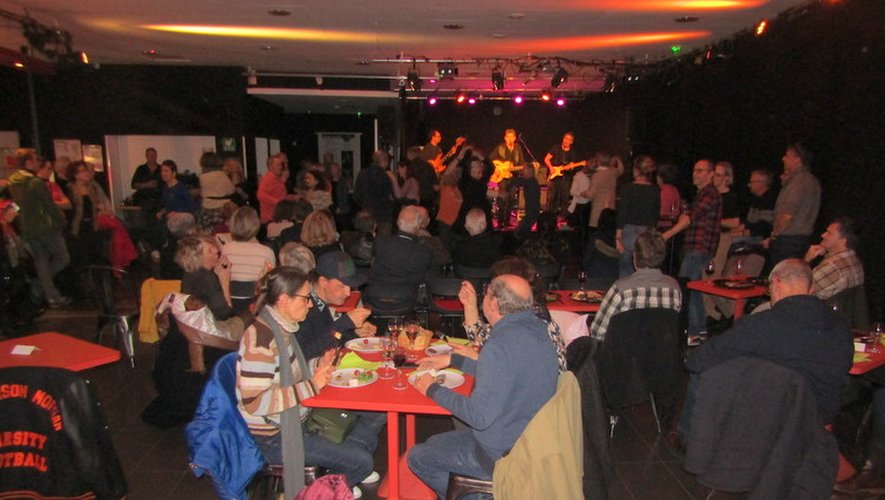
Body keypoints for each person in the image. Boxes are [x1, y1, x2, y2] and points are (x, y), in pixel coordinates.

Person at [236, 267, 385, 498]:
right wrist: (312, 385)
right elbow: (255, 402)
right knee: (362, 461)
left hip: (296, 417)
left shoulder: (282, 328)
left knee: (366, 437)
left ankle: (338, 480)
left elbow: (290, 372)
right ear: (285, 300)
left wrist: (317, 364)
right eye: (306, 299)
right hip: (273, 435)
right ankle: (321, 491)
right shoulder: (262, 341)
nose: (311, 305)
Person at [408, 274, 559, 498]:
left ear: (495, 304)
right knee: (435, 443)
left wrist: (431, 388)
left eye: (486, 294)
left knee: (418, 457)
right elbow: (508, 374)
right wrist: (455, 361)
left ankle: (484, 493)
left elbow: (478, 416)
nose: (483, 299)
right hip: (529, 440)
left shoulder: (500, 344)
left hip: (502, 452)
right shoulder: (537, 331)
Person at [674, 259, 852, 444]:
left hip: (774, 415)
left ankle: (687, 438)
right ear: (812, 288)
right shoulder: (841, 323)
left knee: (703, 372)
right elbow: (845, 365)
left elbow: (700, 360)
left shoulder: (762, 324)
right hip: (822, 416)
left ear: (776, 283)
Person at [458, 256, 567, 372]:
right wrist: (470, 306)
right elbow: (481, 341)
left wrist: (472, 358)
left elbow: (508, 371)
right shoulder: (521, 313)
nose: (491, 289)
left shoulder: (531, 325)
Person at [662, 159, 722, 345]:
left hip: (699, 248)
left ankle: (695, 331)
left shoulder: (710, 194)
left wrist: (665, 235)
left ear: (711, 174)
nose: (696, 174)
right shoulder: (703, 194)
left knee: (687, 287)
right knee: (692, 288)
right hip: (695, 248)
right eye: (695, 170)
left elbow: (689, 219)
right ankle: (699, 331)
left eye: (701, 171)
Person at [590, 229, 682, 343]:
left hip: (624, 356)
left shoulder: (621, 289)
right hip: (662, 357)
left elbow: (597, 332)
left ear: (635, 257)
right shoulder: (674, 288)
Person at [8, 149, 71, 307]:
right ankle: (39, 285)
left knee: (41, 260)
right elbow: (49, 205)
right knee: (63, 258)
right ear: (29, 162)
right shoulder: (36, 183)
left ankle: (51, 295)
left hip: (27, 227)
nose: (38, 163)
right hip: (45, 226)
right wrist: (61, 222)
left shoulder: (13, 181)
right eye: (36, 160)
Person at [295, 251, 376, 359]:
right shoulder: (303, 307)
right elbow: (304, 354)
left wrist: (354, 332)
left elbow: (331, 336)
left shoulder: (320, 301)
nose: (348, 293)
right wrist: (345, 322)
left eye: (350, 286)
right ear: (323, 281)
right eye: (341, 286)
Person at [363, 205, 434, 312]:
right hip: (406, 300)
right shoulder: (424, 252)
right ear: (418, 226)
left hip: (374, 297)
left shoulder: (380, 242)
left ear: (397, 222)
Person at [176, 234, 244, 339]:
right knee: (250, 317)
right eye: (209, 250)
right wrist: (225, 280)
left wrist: (221, 274)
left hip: (194, 327)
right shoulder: (205, 278)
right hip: (210, 333)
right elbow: (225, 314)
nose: (216, 251)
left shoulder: (192, 272)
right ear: (197, 258)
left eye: (213, 246)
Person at [766, 142, 821, 266]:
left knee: (782, 278)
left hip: (788, 242)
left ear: (798, 159)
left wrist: (775, 235)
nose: (783, 159)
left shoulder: (798, 182)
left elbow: (786, 215)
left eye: (787, 155)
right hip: (802, 240)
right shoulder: (812, 181)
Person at [220, 207, 276, 312]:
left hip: (231, 299)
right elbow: (271, 280)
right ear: (256, 226)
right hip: (256, 303)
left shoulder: (226, 248)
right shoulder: (267, 252)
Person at [616, 155, 660, 278]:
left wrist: (618, 237)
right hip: (646, 231)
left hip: (629, 230)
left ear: (636, 170)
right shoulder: (655, 190)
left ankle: (626, 294)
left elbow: (622, 213)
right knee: (645, 268)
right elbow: (655, 215)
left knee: (625, 269)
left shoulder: (627, 188)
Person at [804, 216, 863, 300]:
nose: (823, 235)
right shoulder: (854, 260)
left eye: (829, 233)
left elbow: (799, 291)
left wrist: (806, 260)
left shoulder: (832, 266)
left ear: (843, 240)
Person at [488, 129, 526, 228]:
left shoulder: (518, 148)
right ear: (505, 138)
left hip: (513, 177)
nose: (510, 139)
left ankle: (507, 221)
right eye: (508, 137)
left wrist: (524, 167)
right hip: (502, 178)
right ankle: (500, 222)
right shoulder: (500, 147)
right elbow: (489, 159)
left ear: (514, 138)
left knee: (511, 199)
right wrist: (496, 169)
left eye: (512, 137)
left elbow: (522, 163)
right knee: (502, 199)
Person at [353, 150, 394, 235]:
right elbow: (392, 195)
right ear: (384, 161)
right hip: (383, 215)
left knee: (366, 240)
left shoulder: (363, 173)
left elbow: (356, 196)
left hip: (367, 215)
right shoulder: (386, 176)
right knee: (383, 242)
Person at [544, 132, 584, 216]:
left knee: (564, 199)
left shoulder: (572, 153)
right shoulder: (556, 148)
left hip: (565, 179)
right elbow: (546, 159)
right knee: (551, 199)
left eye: (568, 140)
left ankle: (563, 218)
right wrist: (551, 167)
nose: (566, 141)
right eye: (565, 138)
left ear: (571, 142)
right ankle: (549, 216)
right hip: (554, 178)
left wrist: (571, 166)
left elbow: (572, 166)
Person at [257, 154, 298, 224]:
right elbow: (260, 195)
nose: (280, 167)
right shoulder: (268, 178)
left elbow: (279, 196)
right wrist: (278, 202)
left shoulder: (277, 179)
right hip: (270, 220)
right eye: (278, 165)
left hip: (277, 218)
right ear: (270, 166)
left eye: (281, 165)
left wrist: (291, 198)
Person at [199, 152, 236, 230]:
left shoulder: (202, 176)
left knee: (208, 231)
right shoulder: (222, 175)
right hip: (222, 207)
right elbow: (231, 190)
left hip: (207, 206)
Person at [130, 147, 162, 212]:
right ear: (146, 156)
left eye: (153, 155)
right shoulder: (141, 169)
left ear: (156, 155)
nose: (152, 157)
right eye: (150, 155)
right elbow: (133, 185)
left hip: (159, 200)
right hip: (144, 200)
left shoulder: (161, 169)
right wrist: (147, 184)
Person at [713, 161, 742, 231]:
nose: (714, 177)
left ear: (727, 177)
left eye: (718, 175)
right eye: (714, 174)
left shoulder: (731, 197)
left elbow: (735, 223)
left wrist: (714, 220)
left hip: (723, 235)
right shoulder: (710, 194)